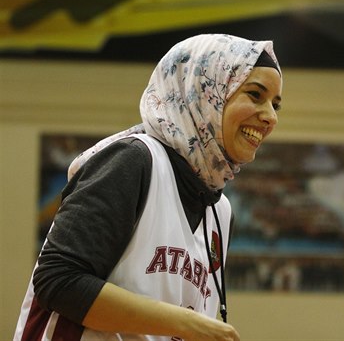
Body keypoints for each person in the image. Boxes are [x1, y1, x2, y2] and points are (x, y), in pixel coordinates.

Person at [14, 33, 282, 341]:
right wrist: (185, 323)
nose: (270, 117)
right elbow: (57, 281)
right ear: (204, 90)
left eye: (276, 105)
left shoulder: (220, 211)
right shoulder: (134, 159)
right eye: (255, 95)